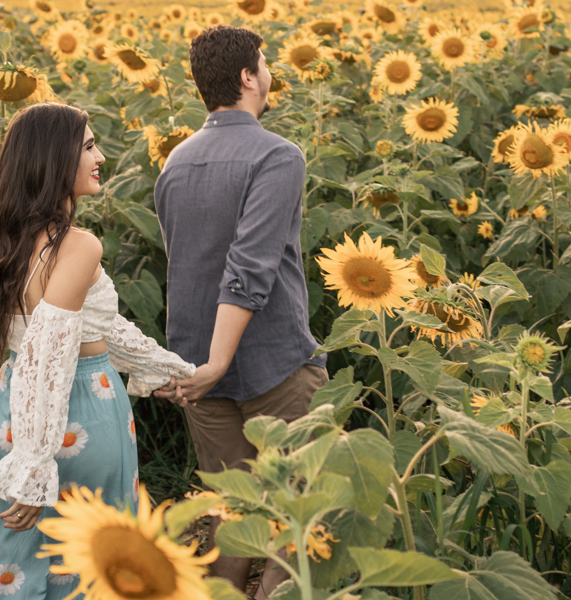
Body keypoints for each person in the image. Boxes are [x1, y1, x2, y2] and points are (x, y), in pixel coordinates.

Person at [0, 102, 195, 599]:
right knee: (95, 560)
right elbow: (49, 350)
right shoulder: (78, 245)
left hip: (18, 413)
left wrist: (159, 370)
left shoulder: (10, 241)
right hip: (76, 411)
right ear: (54, 161)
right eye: (89, 146)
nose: (101, 156)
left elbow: (94, 326)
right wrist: (32, 467)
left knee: (17, 560)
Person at [152, 25, 328, 598]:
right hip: (271, 367)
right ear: (248, 77)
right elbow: (248, 269)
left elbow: (185, 265)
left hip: (197, 374)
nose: (271, 72)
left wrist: (197, 366)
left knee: (227, 519)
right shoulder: (277, 156)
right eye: (266, 63)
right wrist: (220, 362)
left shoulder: (176, 162)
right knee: (296, 522)